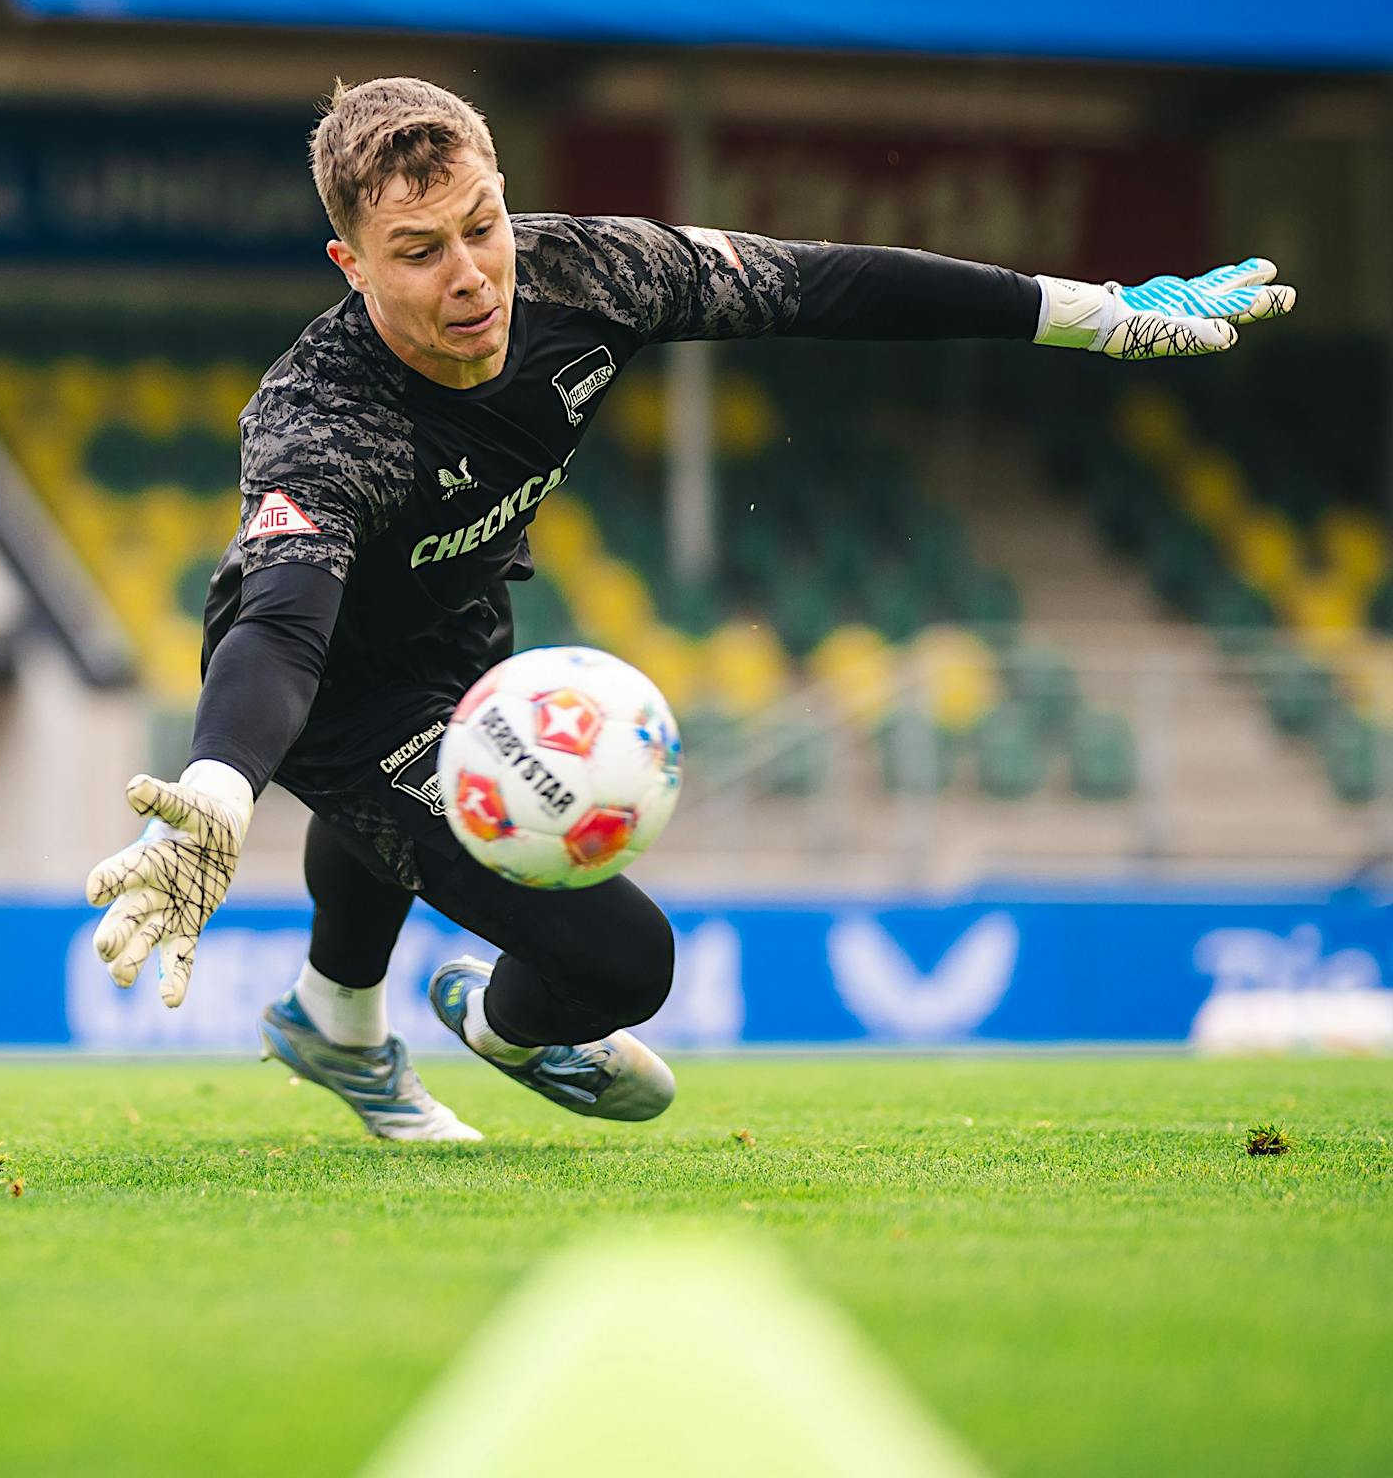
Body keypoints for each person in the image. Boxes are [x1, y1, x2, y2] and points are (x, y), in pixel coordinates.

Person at [84, 76, 1294, 1141]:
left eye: (481, 225)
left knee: (394, 821)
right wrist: (221, 788)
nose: (469, 275)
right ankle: (498, 1032)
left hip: (462, 635)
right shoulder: (320, 415)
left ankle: (337, 1025)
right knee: (626, 960)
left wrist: (1097, 310)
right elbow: (284, 620)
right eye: (417, 251)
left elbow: (824, 284)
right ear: (350, 263)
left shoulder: (589, 271)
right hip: (330, 691)